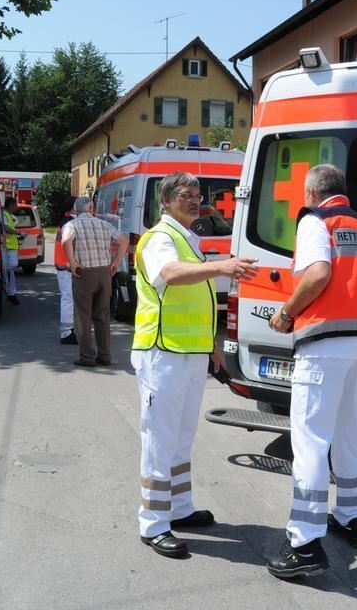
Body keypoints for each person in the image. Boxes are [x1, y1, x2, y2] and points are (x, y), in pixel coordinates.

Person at [265, 163, 357, 579]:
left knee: (310, 440)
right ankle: (351, 518)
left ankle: (303, 542)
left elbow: (318, 273)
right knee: (346, 432)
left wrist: (285, 313)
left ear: (313, 193)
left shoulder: (316, 221)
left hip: (324, 345)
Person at [132, 171, 259, 558]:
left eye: (196, 195)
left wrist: (211, 348)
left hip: (188, 353)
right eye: (185, 195)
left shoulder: (189, 240)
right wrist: (222, 266)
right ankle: (153, 523)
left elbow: (195, 303)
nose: (194, 200)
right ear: (166, 202)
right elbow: (170, 276)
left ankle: (180, 509)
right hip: (162, 353)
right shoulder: (160, 239)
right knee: (159, 439)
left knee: (182, 437)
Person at [60, 196, 128, 367]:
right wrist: (116, 263)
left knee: (83, 315)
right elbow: (124, 240)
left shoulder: (72, 224)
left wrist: (73, 262)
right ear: (91, 208)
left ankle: (87, 357)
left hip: (84, 274)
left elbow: (66, 240)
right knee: (102, 316)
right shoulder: (104, 224)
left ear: (75, 210)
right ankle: (105, 355)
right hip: (104, 273)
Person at [54, 196, 77, 345]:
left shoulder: (65, 221)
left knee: (68, 299)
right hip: (66, 266)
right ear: (73, 207)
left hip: (63, 266)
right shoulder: (70, 223)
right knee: (68, 299)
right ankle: (67, 333)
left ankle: (69, 330)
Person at [1, 197, 22, 305]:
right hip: (7, 247)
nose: (16, 207)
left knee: (11, 272)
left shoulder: (9, 215)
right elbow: (6, 227)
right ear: (10, 205)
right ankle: (1, 274)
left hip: (11, 246)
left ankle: (11, 294)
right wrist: (18, 233)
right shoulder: (4, 214)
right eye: (15, 205)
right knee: (12, 265)